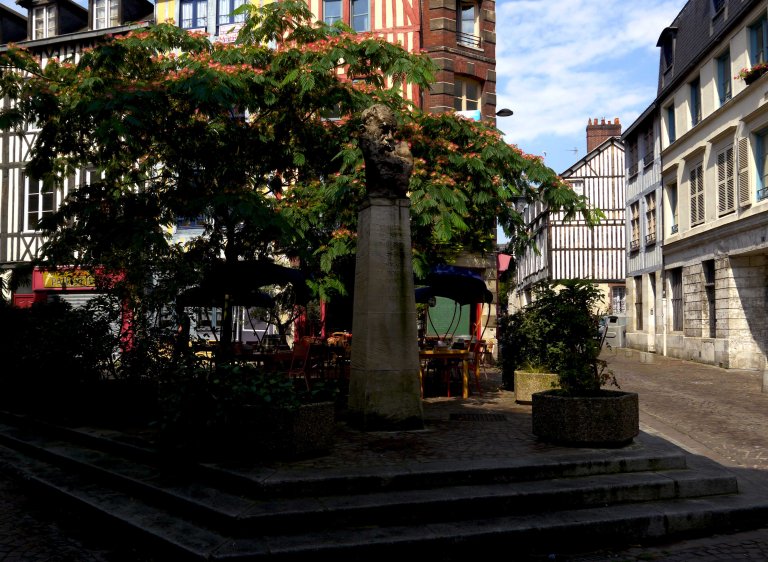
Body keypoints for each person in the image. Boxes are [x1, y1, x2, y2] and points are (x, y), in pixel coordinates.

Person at [359, 104, 413, 198]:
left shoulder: (402, 154)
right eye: (384, 129)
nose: (390, 137)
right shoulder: (367, 142)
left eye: (393, 131)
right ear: (364, 131)